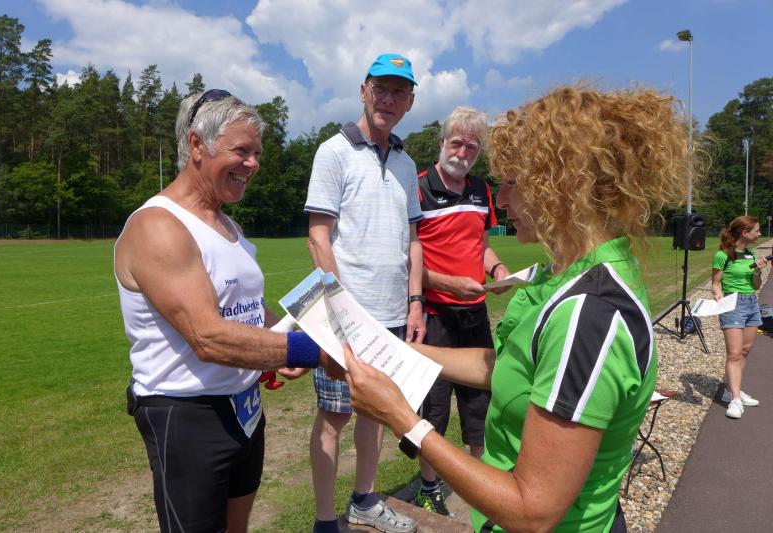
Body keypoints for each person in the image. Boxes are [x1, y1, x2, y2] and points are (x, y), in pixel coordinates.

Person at [343, 85, 692, 532]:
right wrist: (394, 351)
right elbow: (508, 368)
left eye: (512, 182)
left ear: (562, 186)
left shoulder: (587, 313)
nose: (502, 199)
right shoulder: (566, 273)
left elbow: (533, 511)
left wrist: (402, 418)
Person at [114, 90, 325, 533]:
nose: (253, 164)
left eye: (257, 153)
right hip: (186, 414)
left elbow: (249, 313)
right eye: (241, 151)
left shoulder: (229, 225)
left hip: (244, 407)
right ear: (196, 144)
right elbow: (208, 337)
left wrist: (286, 338)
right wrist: (314, 352)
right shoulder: (158, 226)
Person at [304, 53, 425, 533]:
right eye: (381, 88)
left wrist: (415, 302)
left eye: (399, 92)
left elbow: (413, 240)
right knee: (333, 417)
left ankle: (365, 500)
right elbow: (319, 237)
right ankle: (324, 520)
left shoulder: (407, 163)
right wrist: (339, 311)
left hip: (392, 314)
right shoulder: (333, 151)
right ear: (363, 90)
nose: (388, 99)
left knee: (375, 414)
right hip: (344, 318)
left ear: (410, 102)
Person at [414, 106, 512, 515]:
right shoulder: (417, 187)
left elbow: (481, 245)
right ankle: (429, 488)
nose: (462, 152)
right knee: (433, 410)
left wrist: (498, 269)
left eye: (472, 147)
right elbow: (407, 263)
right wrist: (448, 283)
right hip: (435, 315)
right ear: (442, 142)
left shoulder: (481, 190)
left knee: (480, 407)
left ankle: (482, 492)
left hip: (475, 315)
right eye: (456, 143)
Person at [711, 215, 769, 419]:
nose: (760, 234)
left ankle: (732, 390)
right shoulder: (723, 255)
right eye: (757, 230)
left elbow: (756, 286)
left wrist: (758, 272)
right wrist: (718, 295)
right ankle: (735, 399)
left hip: (752, 303)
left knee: (745, 350)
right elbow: (715, 283)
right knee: (734, 353)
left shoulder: (752, 255)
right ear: (745, 233)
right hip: (732, 304)